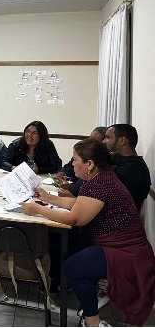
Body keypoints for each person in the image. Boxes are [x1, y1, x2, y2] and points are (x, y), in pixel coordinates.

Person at [21, 139, 155, 327]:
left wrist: (39, 210)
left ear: (90, 164)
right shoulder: (99, 178)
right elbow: (79, 203)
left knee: (74, 267)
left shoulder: (100, 183)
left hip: (126, 251)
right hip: (115, 243)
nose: (72, 163)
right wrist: (48, 197)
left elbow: (75, 218)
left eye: (75, 160)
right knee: (69, 249)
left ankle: (93, 322)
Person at [102, 124, 151, 211]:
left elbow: (103, 192)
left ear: (122, 141)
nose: (104, 141)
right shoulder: (119, 158)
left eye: (108, 137)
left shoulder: (133, 169)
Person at [56, 127, 107, 197]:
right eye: (89, 140)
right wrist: (70, 186)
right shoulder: (83, 153)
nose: (88, 144)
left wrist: (71, 197)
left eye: (93, 143)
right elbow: (69, 167)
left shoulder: (100, 178)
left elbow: (85, 203)